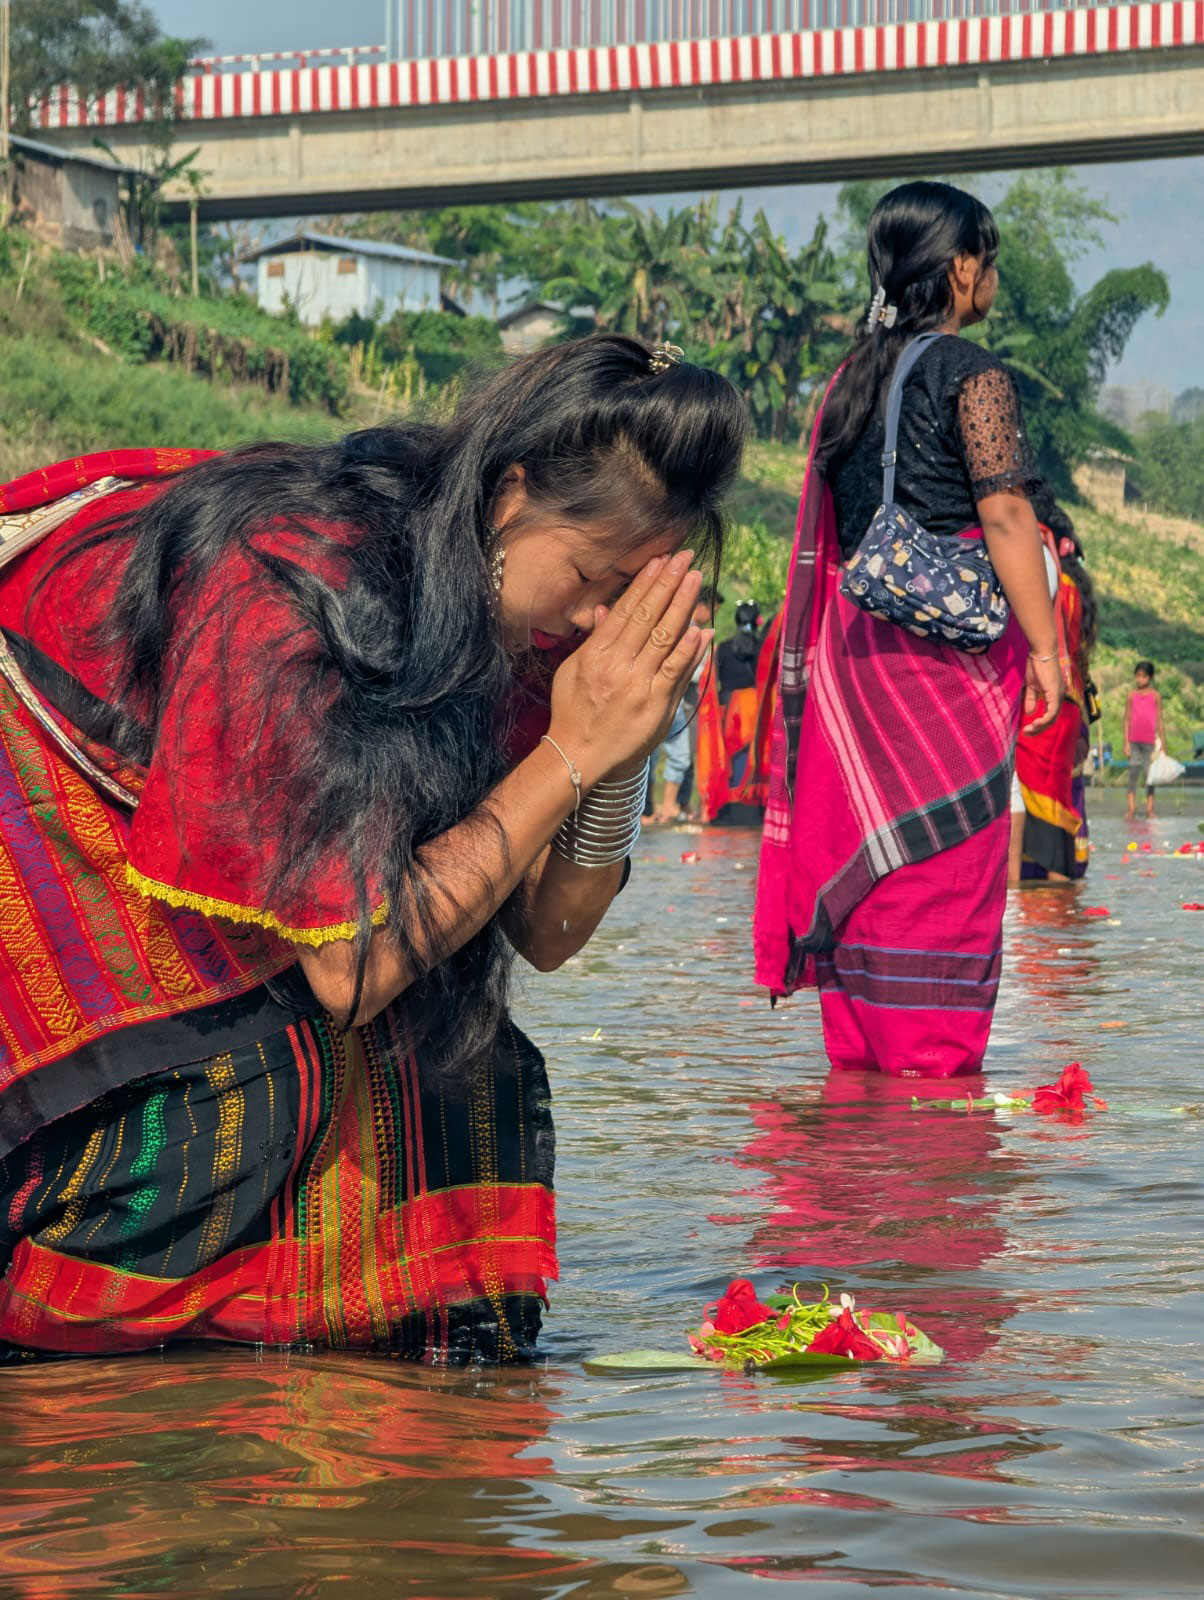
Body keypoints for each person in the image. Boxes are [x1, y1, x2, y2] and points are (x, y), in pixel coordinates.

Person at [0, 334, 747, 1358]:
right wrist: (573, 749)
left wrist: (618, 744)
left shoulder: (523, 616)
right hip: (51, 776)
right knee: (259, 1077)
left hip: (279, 866)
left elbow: (547, 932)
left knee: (460, 1068)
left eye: (629, 602)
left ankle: (362, 1382)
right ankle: (100, 1367)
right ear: (510, 495)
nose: (594, 620)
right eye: (590, 578)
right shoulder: (288, 584)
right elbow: (351, 966)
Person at [755, 180, 1061, 1078]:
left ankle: (859, 1105)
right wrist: (1046, 652)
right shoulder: (974, 375)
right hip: (947, 667)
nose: (991, 274)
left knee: (873, 858)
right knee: (945, 866)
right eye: (989, 258)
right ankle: (928, 1114)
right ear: (963, 270)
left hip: (859, 659)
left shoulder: (846, 384)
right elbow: (1005, 516)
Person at [1009, 506, 1099, 885]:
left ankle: (1017, 898)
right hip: (1070, 705)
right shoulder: (1075, 589)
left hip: (1040, 698)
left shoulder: (1039, 580)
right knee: (1059, 799)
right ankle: (1059, 909)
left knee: (1019, 799)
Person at [647, 584, 721, 824]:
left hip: (678, 697)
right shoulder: (684, 630)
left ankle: (666, 806)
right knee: (660, 754)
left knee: (676, 754)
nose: (713, 615)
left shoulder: (690, 628)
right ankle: (655, 808)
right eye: (712, 609)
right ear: (700, 606)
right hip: (671, 695)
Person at [1124, 660, 1167, 820]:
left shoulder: (1156, 696)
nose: (1140, 680)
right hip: (1134, 740)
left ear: (1150, 677)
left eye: (1143, 676)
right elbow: (1127, 719)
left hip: (1150, 741)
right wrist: (1126, 742)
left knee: (1150, 775)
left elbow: (1160, 720)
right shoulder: (1131, 696)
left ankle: (1150, 809)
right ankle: (1131, 808)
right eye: (1138, 676)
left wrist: (1163, 744)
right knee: (1133, 773)